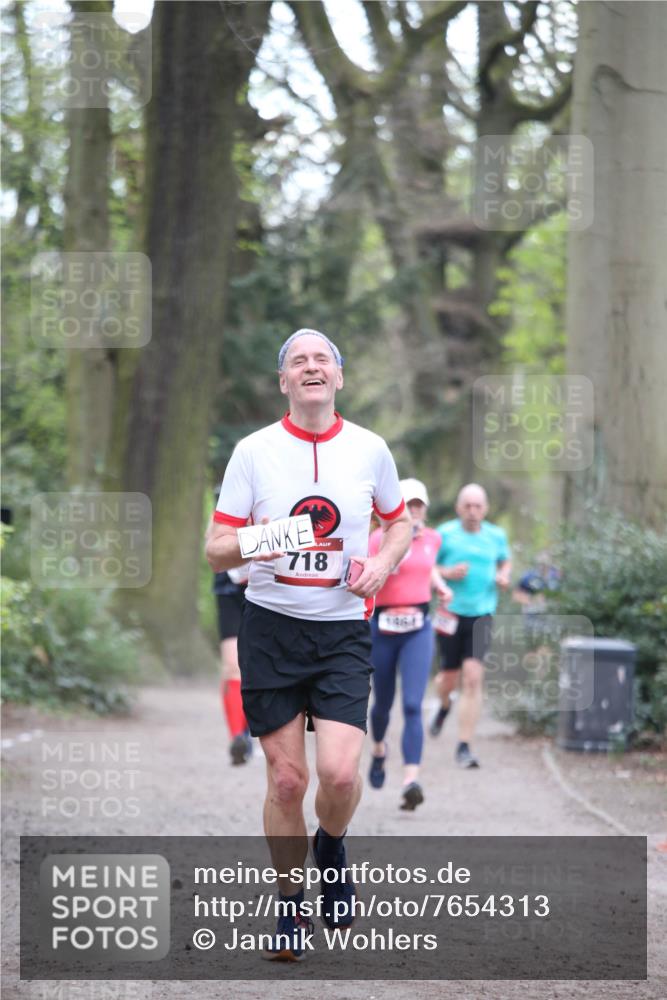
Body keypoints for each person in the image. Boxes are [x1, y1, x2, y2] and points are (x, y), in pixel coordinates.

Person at [205, 328, 411, 961]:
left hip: (342, 630)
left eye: (323, 358)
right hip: (271, 629)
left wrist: (382, 565)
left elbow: (398, 522)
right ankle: (291, 906)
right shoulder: (254, 452)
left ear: (339, 377)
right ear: (285, 381)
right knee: (289, 781)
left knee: (340, 775)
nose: (312, 366)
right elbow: (216, 549)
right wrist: (261, 540)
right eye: (299, 360)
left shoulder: (370, 449)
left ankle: (331, 844)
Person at [367, 478, 452, 811]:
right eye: (408, 505)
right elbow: (379, 571)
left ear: (425, 509)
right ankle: (378, 749)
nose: (414, 510)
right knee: (382, 703)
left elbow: (426, 566)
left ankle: (410, 780)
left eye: (418, 505)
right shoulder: (377, 539)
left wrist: (440, 585)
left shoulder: (433, 538)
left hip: (418, 628)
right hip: (382, 627)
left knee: (414, 704)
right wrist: (400, 541)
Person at [430, 484, 511, 769]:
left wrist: (503, 576)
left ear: (485, 509)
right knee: (447, 679)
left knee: (474, 678)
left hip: (482, 614)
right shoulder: (444, 534)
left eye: (478, 506)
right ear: (458, 507)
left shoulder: (496, 536)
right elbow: (428, 567)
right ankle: (444, 706)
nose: (473, 511)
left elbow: (505, 562)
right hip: (450, 613)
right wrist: (448, 572)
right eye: (468, 506)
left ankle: (464, 746)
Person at [212, 559, 253, 765]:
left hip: (273, 587)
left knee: (258, 667)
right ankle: (238, 737)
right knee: (232, 665)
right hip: (230, 585)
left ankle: (248, 731)